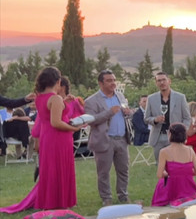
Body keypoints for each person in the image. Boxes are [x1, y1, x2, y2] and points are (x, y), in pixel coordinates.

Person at [32, 67, 81, 209]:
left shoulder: (40, 97)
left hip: (46, 137)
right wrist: (74, 128)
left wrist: (63, 101)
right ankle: (61, 201)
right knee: (60, 168)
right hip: (58, 138)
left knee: (50, 169)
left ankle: (50, 200)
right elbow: (56, 122)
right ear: (58, 81)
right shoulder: (55, 98)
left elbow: (47, 115)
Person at [84, 70, 133, 206]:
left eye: (114, 80)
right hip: (104, 140)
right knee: (103, 172)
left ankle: (123, 195)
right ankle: (107, 198)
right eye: (109, 80)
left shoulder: (120, 96)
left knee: (123, 169)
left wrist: (128, 113)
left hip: (122, 139)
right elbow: (92, 120)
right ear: (101, 83)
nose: (113, 83)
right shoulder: (91, 101)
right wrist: (109, 113)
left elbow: (126, 115)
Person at [144, 71, 191, 163]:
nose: (162, 82)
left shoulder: (180, 97)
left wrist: (182, 131)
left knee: (176, 164)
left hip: (175, 137)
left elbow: (187, 118)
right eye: (159, 80)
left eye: (164, 80)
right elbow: (146, 118)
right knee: (160, 166)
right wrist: (155, 120)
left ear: (169, 81)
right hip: (158, 136)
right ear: (156, 83)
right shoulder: (151, 98)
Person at [151, 123, 196, 206]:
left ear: (170, 134)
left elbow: (159, 174)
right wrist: (184, 172)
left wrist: (170, 173)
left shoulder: (164, 151)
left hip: (171, 188)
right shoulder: (190, 150)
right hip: (187, 188)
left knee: (162, 184)